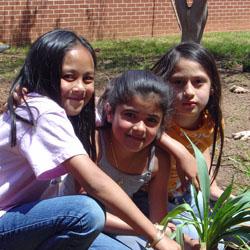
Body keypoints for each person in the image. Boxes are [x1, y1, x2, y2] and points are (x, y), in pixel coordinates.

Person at [0, 29, 180, 250]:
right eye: (68, 76)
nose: (80, 87)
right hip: (7, 220)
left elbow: (122, 121)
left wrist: (180, 152)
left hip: (28, 217)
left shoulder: (74, 114)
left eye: (87, 78)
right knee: (85, 212)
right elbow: (95, 181)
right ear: (45, 73)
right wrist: (156, 236)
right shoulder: (42, 111)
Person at [148, 42, 224, 239]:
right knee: (201, 238)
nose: (189, 91)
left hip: (184, 194)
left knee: (233, 227)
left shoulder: (211, 122)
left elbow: (202, 150)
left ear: (212, 86)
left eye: (198, 81)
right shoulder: (153, 119)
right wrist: (179, 151)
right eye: (178, 82)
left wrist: (218, 193)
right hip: (147, 197)